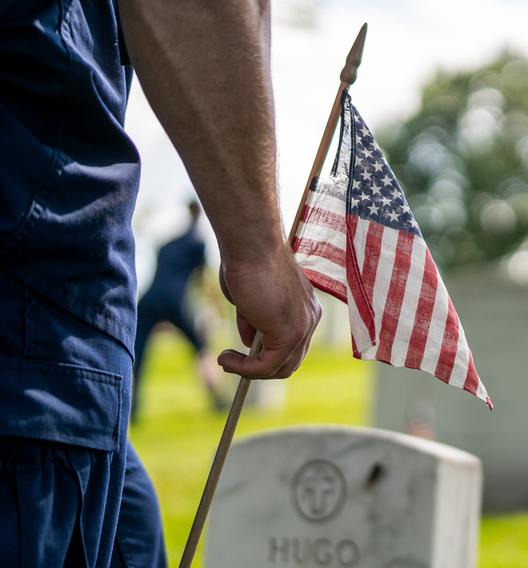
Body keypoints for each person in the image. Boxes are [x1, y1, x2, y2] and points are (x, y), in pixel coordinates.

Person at [0, 0, 321, 566]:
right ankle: (208, 392)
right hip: (33, 311)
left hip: (101, 310)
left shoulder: (177, 238)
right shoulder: (192, 242)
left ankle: (178, 395)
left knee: (134, 527)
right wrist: (258, 252)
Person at [133, 201, 227, 422]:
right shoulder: (197, 242)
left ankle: (132, 409)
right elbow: (202, 278)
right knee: (201, 349)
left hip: (149, 299)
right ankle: (217, 399)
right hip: (175, 301)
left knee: (139, 355)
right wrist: (216, 305)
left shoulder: (169, 242)